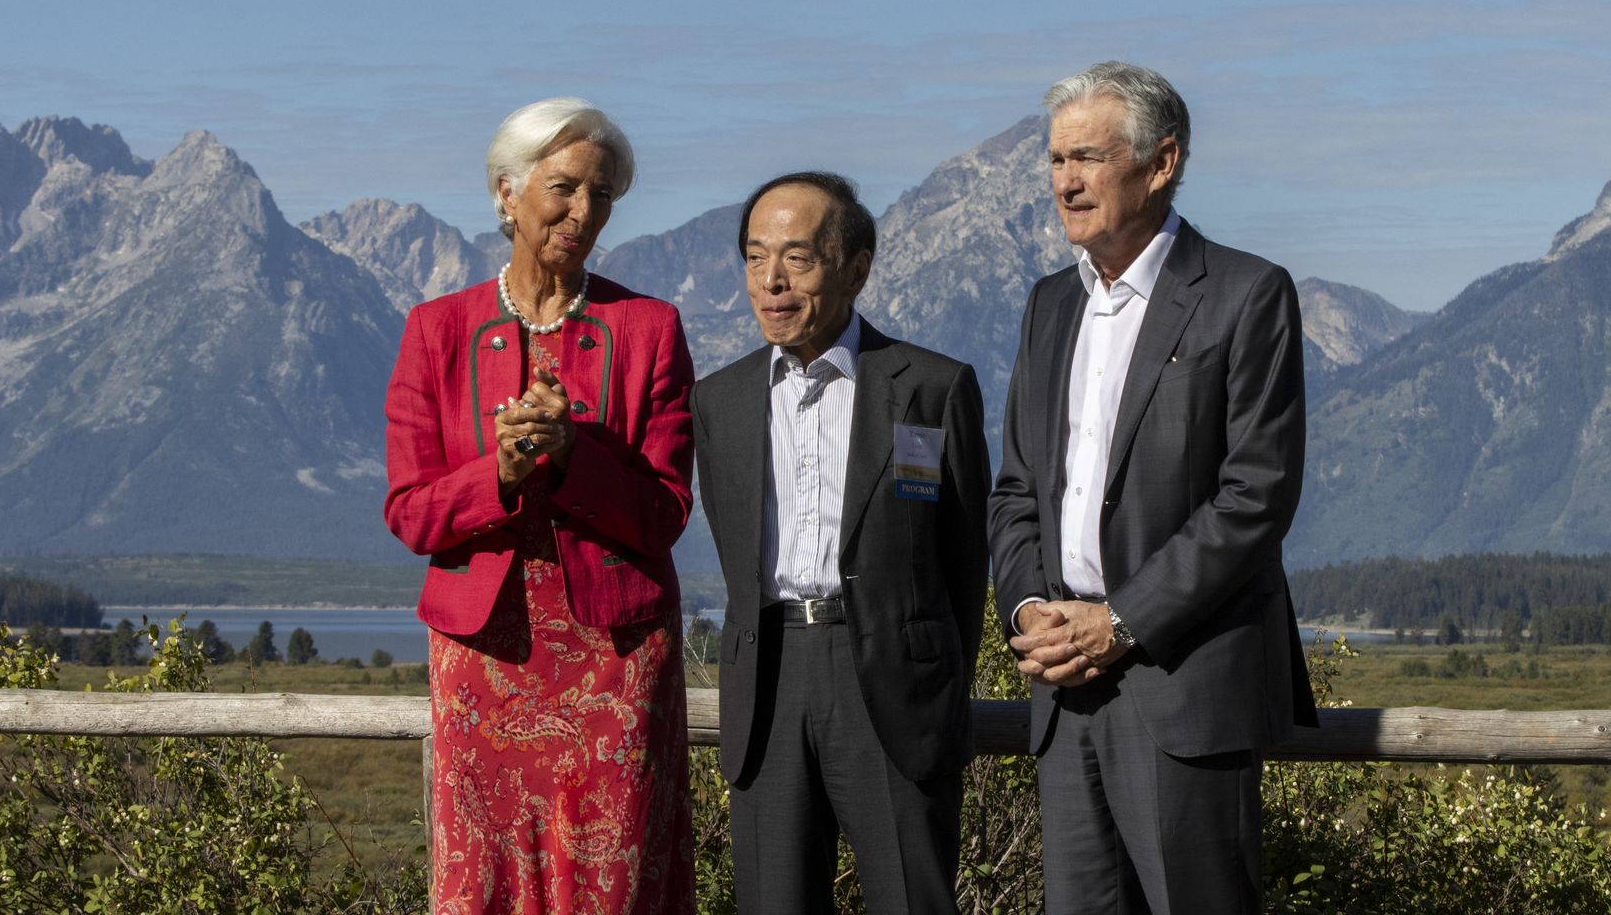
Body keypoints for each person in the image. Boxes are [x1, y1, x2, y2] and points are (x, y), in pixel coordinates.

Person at [989, 62, 1319, 914]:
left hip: (1184, 687)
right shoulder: (1048, 306)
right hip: (1064, 687)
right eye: (1056, 159)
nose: (1065, 181)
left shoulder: (1246, 294)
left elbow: (1255, 497)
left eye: (1088, 158)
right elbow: (1017, 489)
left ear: (1161, 162)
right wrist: (1028, 613)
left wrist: (1122, 621)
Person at [383, 98, 695, 913]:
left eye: (602, 195)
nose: (584, 212)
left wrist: (571, 456)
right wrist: (500, 473)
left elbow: (664, 514)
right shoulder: (436, 330)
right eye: (565, 188)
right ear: (507, 193)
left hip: (616, 656)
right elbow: (412, 513)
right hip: (483, 656)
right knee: (486, 877)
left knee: (613, 881)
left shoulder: (650, 329)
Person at [692, 171, 990, 914]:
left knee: (912, 899)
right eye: (755, 258)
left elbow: (963, 559)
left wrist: (935, 677)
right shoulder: (719, 400)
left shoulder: (930, 387)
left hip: (894, 679)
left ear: (856, 269)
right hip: (768, 679)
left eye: (797, 258)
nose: (772, 281)